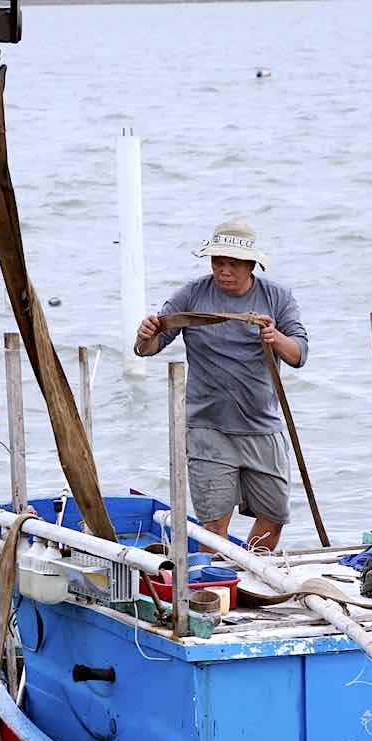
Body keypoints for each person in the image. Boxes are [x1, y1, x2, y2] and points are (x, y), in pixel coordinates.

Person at [133, 218, 308, 551]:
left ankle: (251, 573)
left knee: (274, 517)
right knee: (214, 524)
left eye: (233, 264)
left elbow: (299, 354)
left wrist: (276, 338)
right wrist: (146, 336)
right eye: (218, 262)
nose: (224, 271)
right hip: (208, 427)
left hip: (261, 425)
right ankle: (215, 584)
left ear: (250, 265)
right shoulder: (192, 295)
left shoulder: (277, 297)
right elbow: (148, 348)